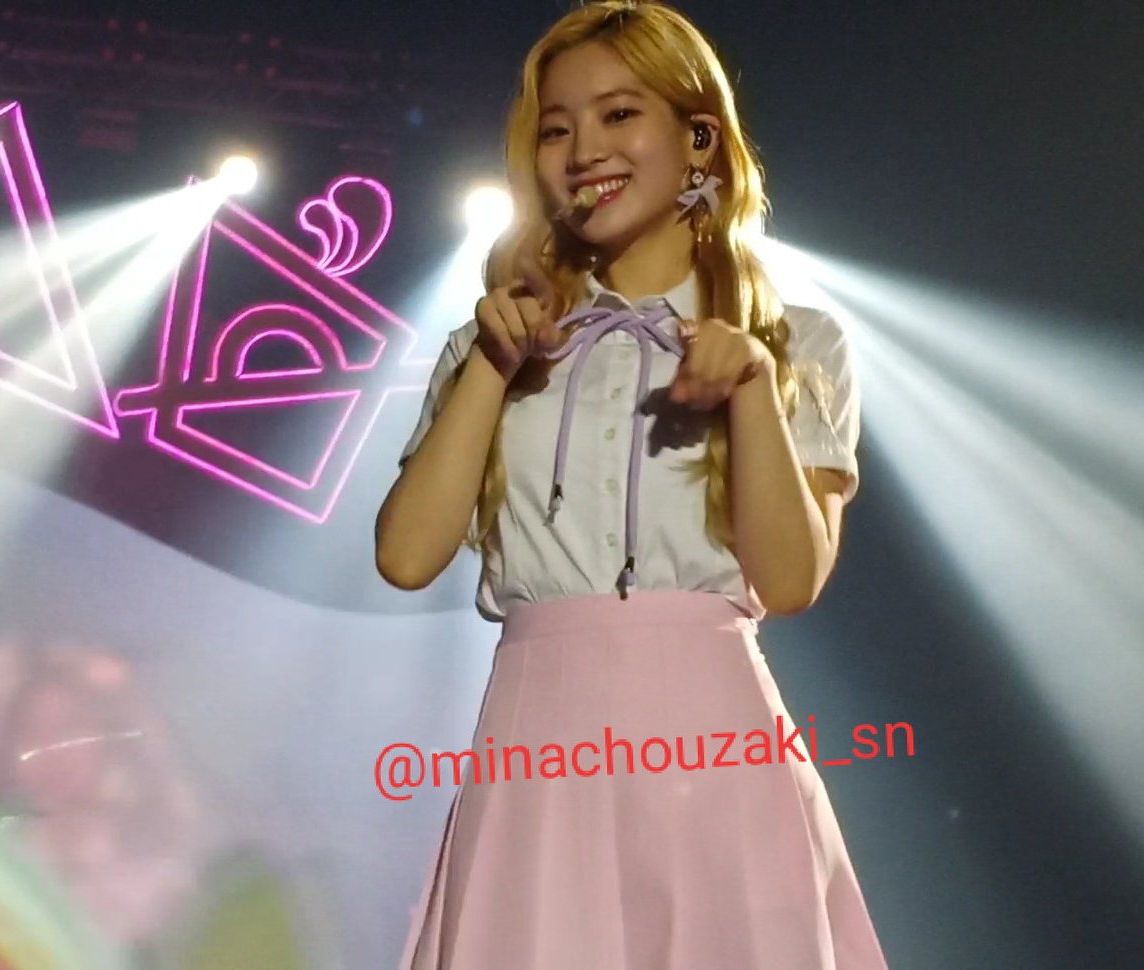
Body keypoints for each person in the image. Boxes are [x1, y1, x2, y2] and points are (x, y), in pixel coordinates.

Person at [374, 2, 887, 967]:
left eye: (619, 115)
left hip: (717, 744)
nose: (583, 152)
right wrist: (492, 364)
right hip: (538, 738)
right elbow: (405, 557)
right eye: (556, 129)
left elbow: (791, 581)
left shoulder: (797, 343)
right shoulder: (492, 346)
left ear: (699, 139)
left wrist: (751, 388)